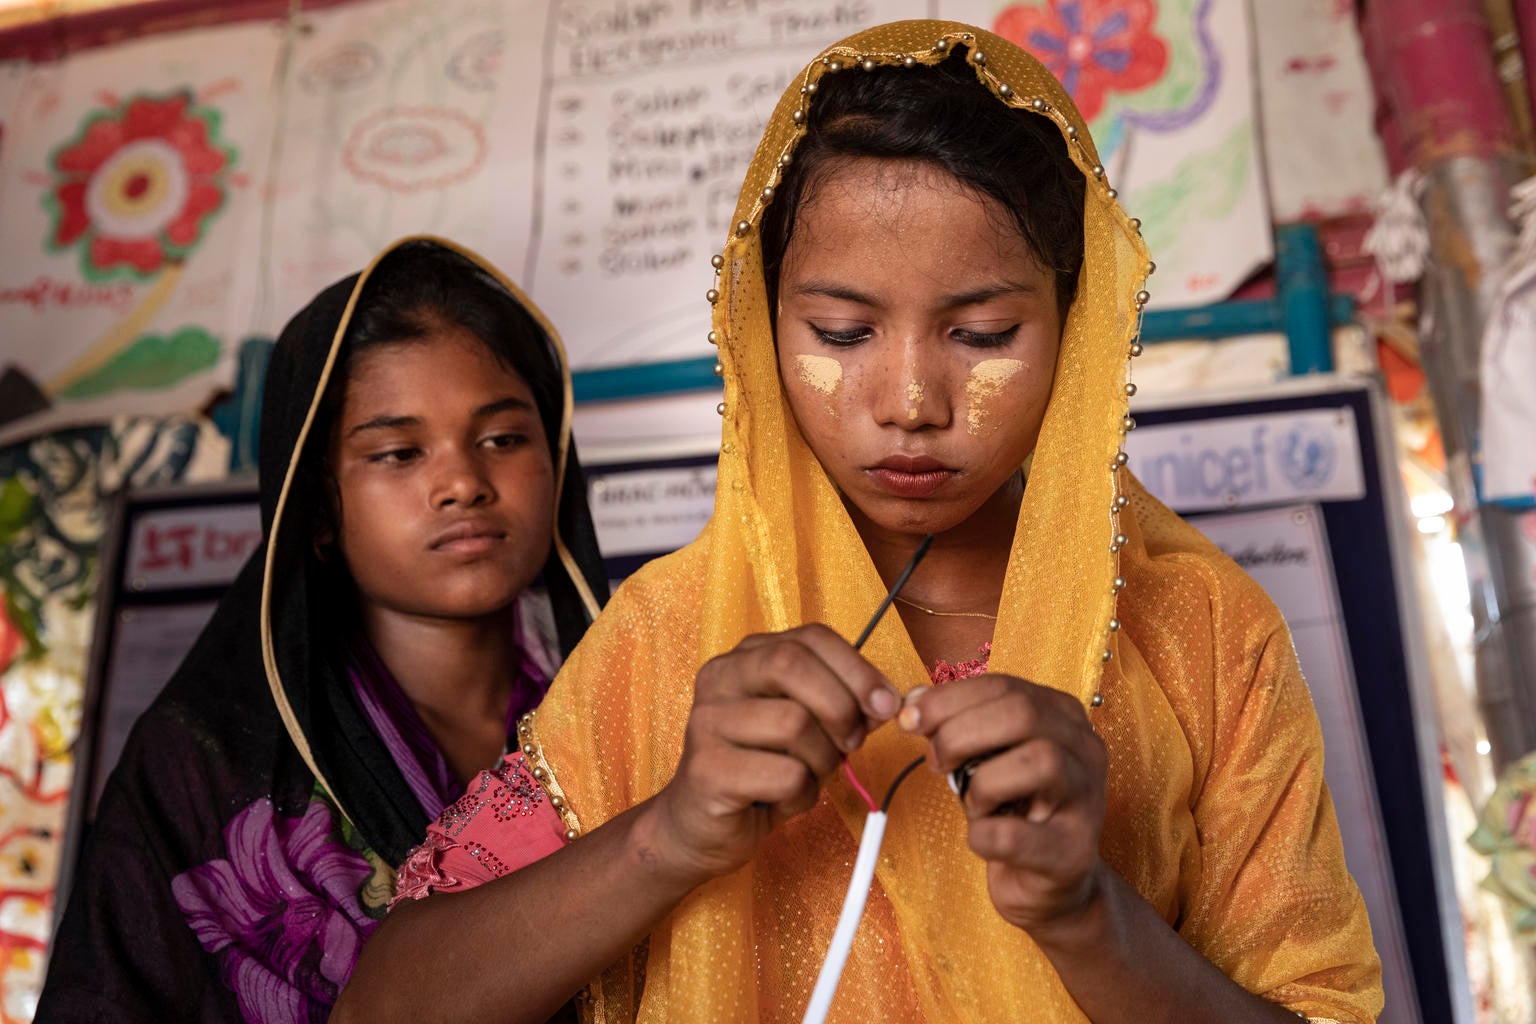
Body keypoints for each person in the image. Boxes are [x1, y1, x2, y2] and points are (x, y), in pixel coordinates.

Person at [336, 21, 1383, 1024]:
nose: (912, 401)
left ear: (1077, 323)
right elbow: (383, 1005)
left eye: (981, 332)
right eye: (843, 329)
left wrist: (1085, 912)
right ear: (759, 320)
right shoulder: (667, 637)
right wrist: (674, 831)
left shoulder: (1205, 637)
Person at [36, 237, 608, 1022]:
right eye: (399, 453)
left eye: (503, 439)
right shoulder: (206, 768)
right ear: (318, 512)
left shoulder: (630, 706)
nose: (464, 485)